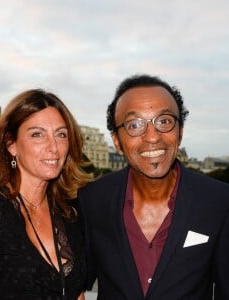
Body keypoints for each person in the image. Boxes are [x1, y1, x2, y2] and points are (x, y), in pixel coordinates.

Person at [78, 74, 229, 299]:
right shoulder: (91, 200)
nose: (152, 137)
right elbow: (75, 283)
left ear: (180, 131)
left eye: (164, 121)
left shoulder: (219, 200)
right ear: (117, 142)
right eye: (134, 125)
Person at [0, 89, 93, 299]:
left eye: (61, 135)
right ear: (11, 144)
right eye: (38, 134)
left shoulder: (68, 212)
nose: (53, 147)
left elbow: (75, 292)